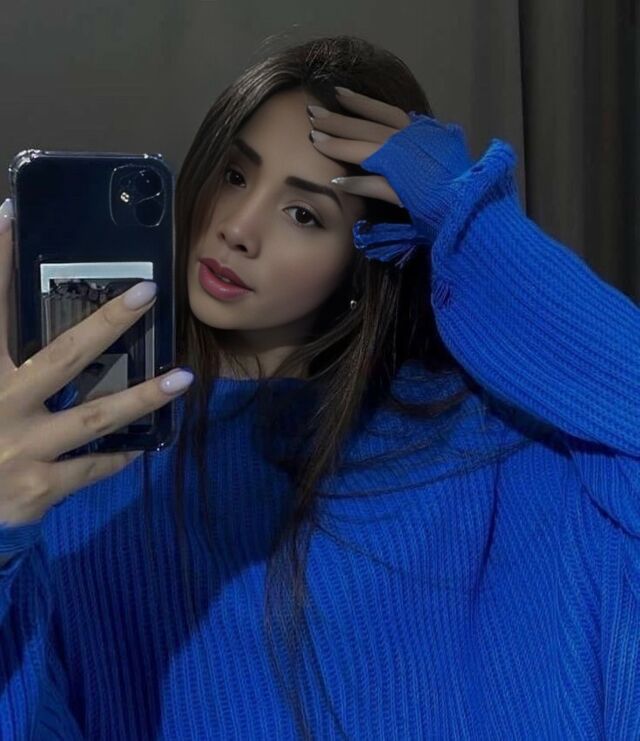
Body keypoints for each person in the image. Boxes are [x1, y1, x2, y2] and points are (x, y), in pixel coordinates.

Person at [1, 33, 639, 740]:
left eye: (304, 214)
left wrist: (472, 220)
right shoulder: (73, 456)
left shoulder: (479, 446)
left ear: (366, 256)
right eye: (234, 175)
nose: (237, 229)